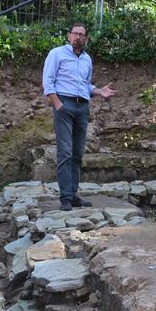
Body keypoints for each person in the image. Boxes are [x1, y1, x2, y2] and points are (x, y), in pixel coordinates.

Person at [42, 23, 115, 211]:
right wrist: (58, 104)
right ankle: (65, 197)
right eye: (75, 33)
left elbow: (86, 85)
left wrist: (99, 91)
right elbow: (48, 81)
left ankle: (73, 195)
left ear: (86, 39)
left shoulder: (87, 60)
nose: (78, 37)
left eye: (82, 34)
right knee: (65, 152)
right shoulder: (57, 53)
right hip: (64, 105)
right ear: (69, 35)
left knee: (77, 153)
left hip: (82, 107)